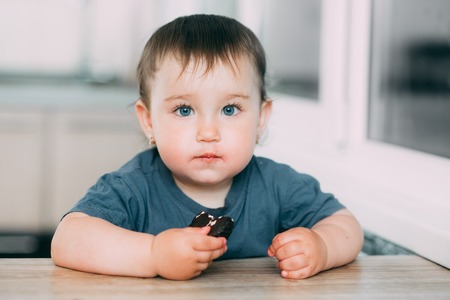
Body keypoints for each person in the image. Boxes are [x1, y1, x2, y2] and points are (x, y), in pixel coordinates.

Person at [51, 14, 363, 280]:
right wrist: (153, 255)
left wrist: (321, 246)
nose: (208, 132)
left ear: (260, 119)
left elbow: (346, 225)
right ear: (149, 122)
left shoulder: (277, 185)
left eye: (230, 110)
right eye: (184, 110)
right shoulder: (133, 187)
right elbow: (67, 240)